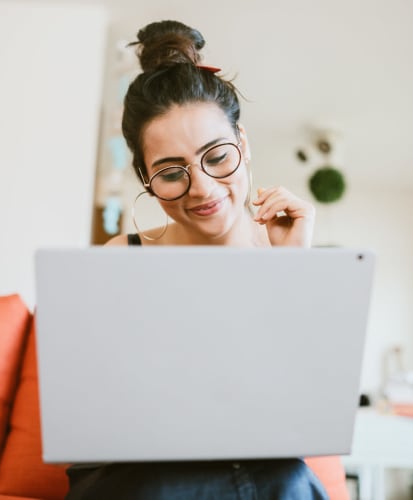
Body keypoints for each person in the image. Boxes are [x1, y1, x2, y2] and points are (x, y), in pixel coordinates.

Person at [65, 20, 326, 500]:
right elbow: (92, 414)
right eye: (170, 172)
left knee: (287, 477)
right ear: (145, 177)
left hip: (260, 468)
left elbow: (300, 419)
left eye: (217, 156)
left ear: (242, 144)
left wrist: (291, 272)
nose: (202, 188)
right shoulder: (124, 257)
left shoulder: (287, 253)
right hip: (135, 472)